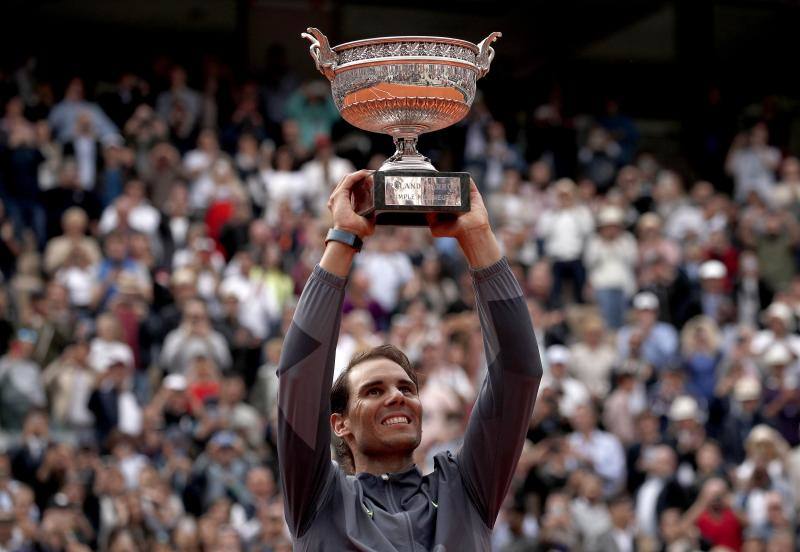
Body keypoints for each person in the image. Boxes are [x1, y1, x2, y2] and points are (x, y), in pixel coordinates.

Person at [277, 170, 542, 550]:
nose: (397, 396)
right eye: (373, 390)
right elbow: (299, 376)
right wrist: (342, 240)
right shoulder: (318, 499)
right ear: (340, 425)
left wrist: (478, 236)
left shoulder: (466, 491)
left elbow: (518, 370)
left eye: (406, 387)